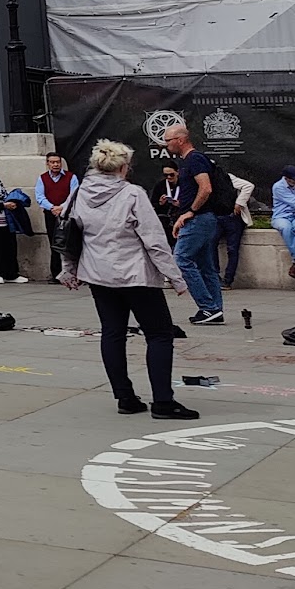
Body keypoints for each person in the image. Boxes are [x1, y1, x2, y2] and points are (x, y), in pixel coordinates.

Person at [61, 139, 198, 419]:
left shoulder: (78, 193)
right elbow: (155, 241)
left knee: (112, 332)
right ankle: (162, 401)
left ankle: (125, 396)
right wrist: (176, 278)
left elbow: (67, 235)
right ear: (124, 167)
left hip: (98, 274)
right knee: (159, 334)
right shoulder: (132, 194)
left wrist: (69, 268)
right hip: (135, 274)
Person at [160, 121, 230, 323]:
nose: (166, 145)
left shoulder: (194, 159)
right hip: (203, 218)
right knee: (205, 265)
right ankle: (215, 310)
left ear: (180, 140)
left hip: (199, 219)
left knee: (181, 259)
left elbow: (205, 188)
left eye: (168, 140)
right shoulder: (190, 161)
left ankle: (208, 307)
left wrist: (190, 212)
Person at [35, 153, 79, 282]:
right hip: (51, 214)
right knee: (54, 243)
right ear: (47, 164)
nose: (55, 165)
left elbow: (74, 194)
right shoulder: (42, 178)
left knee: (70, 242)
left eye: (57, 162)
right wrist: (52, 207)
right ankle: (56, 274)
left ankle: (73, 274)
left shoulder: (71, 177)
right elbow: (40, 196)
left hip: (68, 214)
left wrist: (62, 207)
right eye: (52, 162)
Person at [219, 169, 255, 290]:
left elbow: (248, 185)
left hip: (232, 217)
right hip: (217, 217)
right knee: (210, 244)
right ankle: (215, 277)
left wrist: (239, 203)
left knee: (232, 249)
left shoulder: (225, 177)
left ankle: (228, 280)